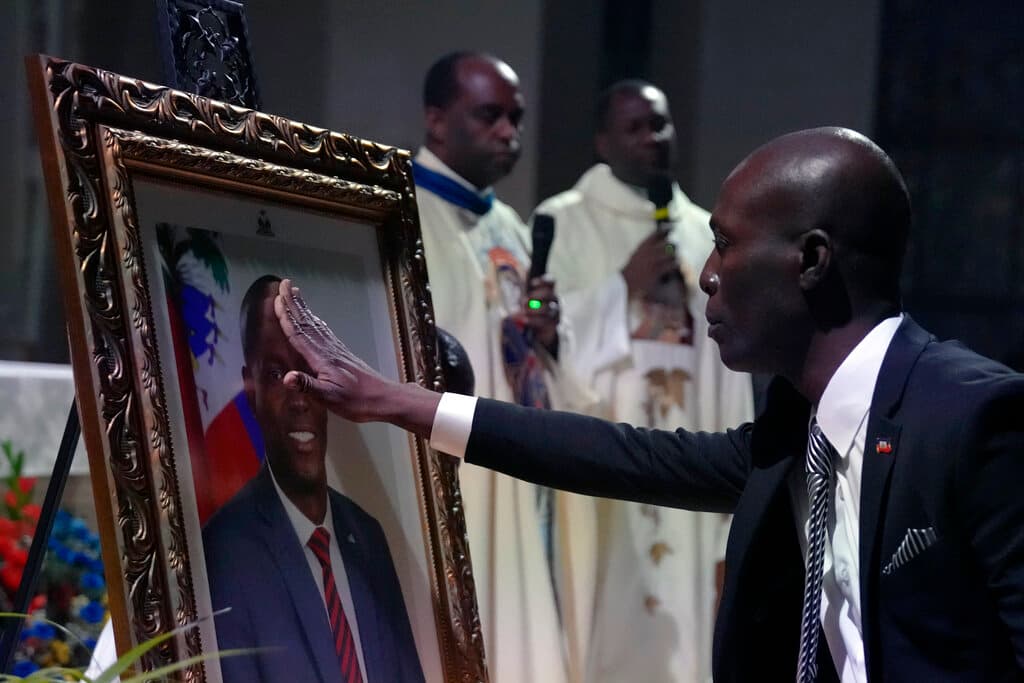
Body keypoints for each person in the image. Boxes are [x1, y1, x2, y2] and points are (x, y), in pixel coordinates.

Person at [270, 126, 1024, 682]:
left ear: (812, 261)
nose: (704, 276)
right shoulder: (801, 435)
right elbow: (621, 456)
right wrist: (402, 403)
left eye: (725, 246)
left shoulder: (973, 420)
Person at [533, 79, 753, 682]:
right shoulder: (564, 221)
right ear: (603, 141)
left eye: (660, 124)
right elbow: (545, 346)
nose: (652, 139)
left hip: (691, 457)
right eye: (634, 127)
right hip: (603, 459)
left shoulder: (706, 229)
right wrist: (620, 288)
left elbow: (731, 368)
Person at [411, 51, 591, 683]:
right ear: (437, 121)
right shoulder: (399, 211)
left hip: (513, 473)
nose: (508, 132)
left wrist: (547, 337)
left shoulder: (510, 227)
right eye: (489, 116)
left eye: (515, 117)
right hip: (445, 478)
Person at [201, 275, 424, 683]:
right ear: (249, 391)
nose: (299, 396)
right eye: (275, 375)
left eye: (307, 372)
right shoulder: (225, 550)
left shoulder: (368, 535)